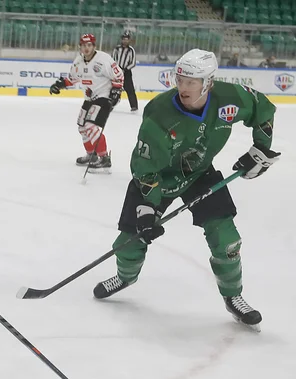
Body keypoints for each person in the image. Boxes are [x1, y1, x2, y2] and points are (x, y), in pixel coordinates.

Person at [92, 49, 280, 332]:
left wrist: (261, 148)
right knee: (130, 240)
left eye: (191, 82)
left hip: (199, 173)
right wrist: (147, 211)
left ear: (208, 83)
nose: (183, 87)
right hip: (157, 177)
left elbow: (262, 108)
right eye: (180, 79)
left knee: (227, 238)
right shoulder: (159, 113)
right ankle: (125, 276)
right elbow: (144, 169)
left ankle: (233, 296)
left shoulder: (229, 98)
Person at [50, 33, 124, 172]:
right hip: (89, 97)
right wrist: (60, 84)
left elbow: (119, 75)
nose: (86, 48)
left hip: (104, 97)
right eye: (84, 45)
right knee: (82, 127)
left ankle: (104, 158)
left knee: (90, 126)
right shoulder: (78, 61)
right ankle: (92, 155)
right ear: (80, 47)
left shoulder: (103, 59)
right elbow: (73, 78)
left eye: (89, 45)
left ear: (94, 46)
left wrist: (116, 91)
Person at [112, 30, 138, 112]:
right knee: (113, 88)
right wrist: (117, 69)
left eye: (127, 39)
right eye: (124, 39)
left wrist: (125, 69)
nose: (125, 41)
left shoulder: (131, 50)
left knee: (130, 89)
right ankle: (111, 103)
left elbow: (133, 63)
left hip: (127, 73)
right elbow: (112, 59)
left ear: (129, 40)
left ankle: (134, 106)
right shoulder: (117, 49)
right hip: (116, 72)